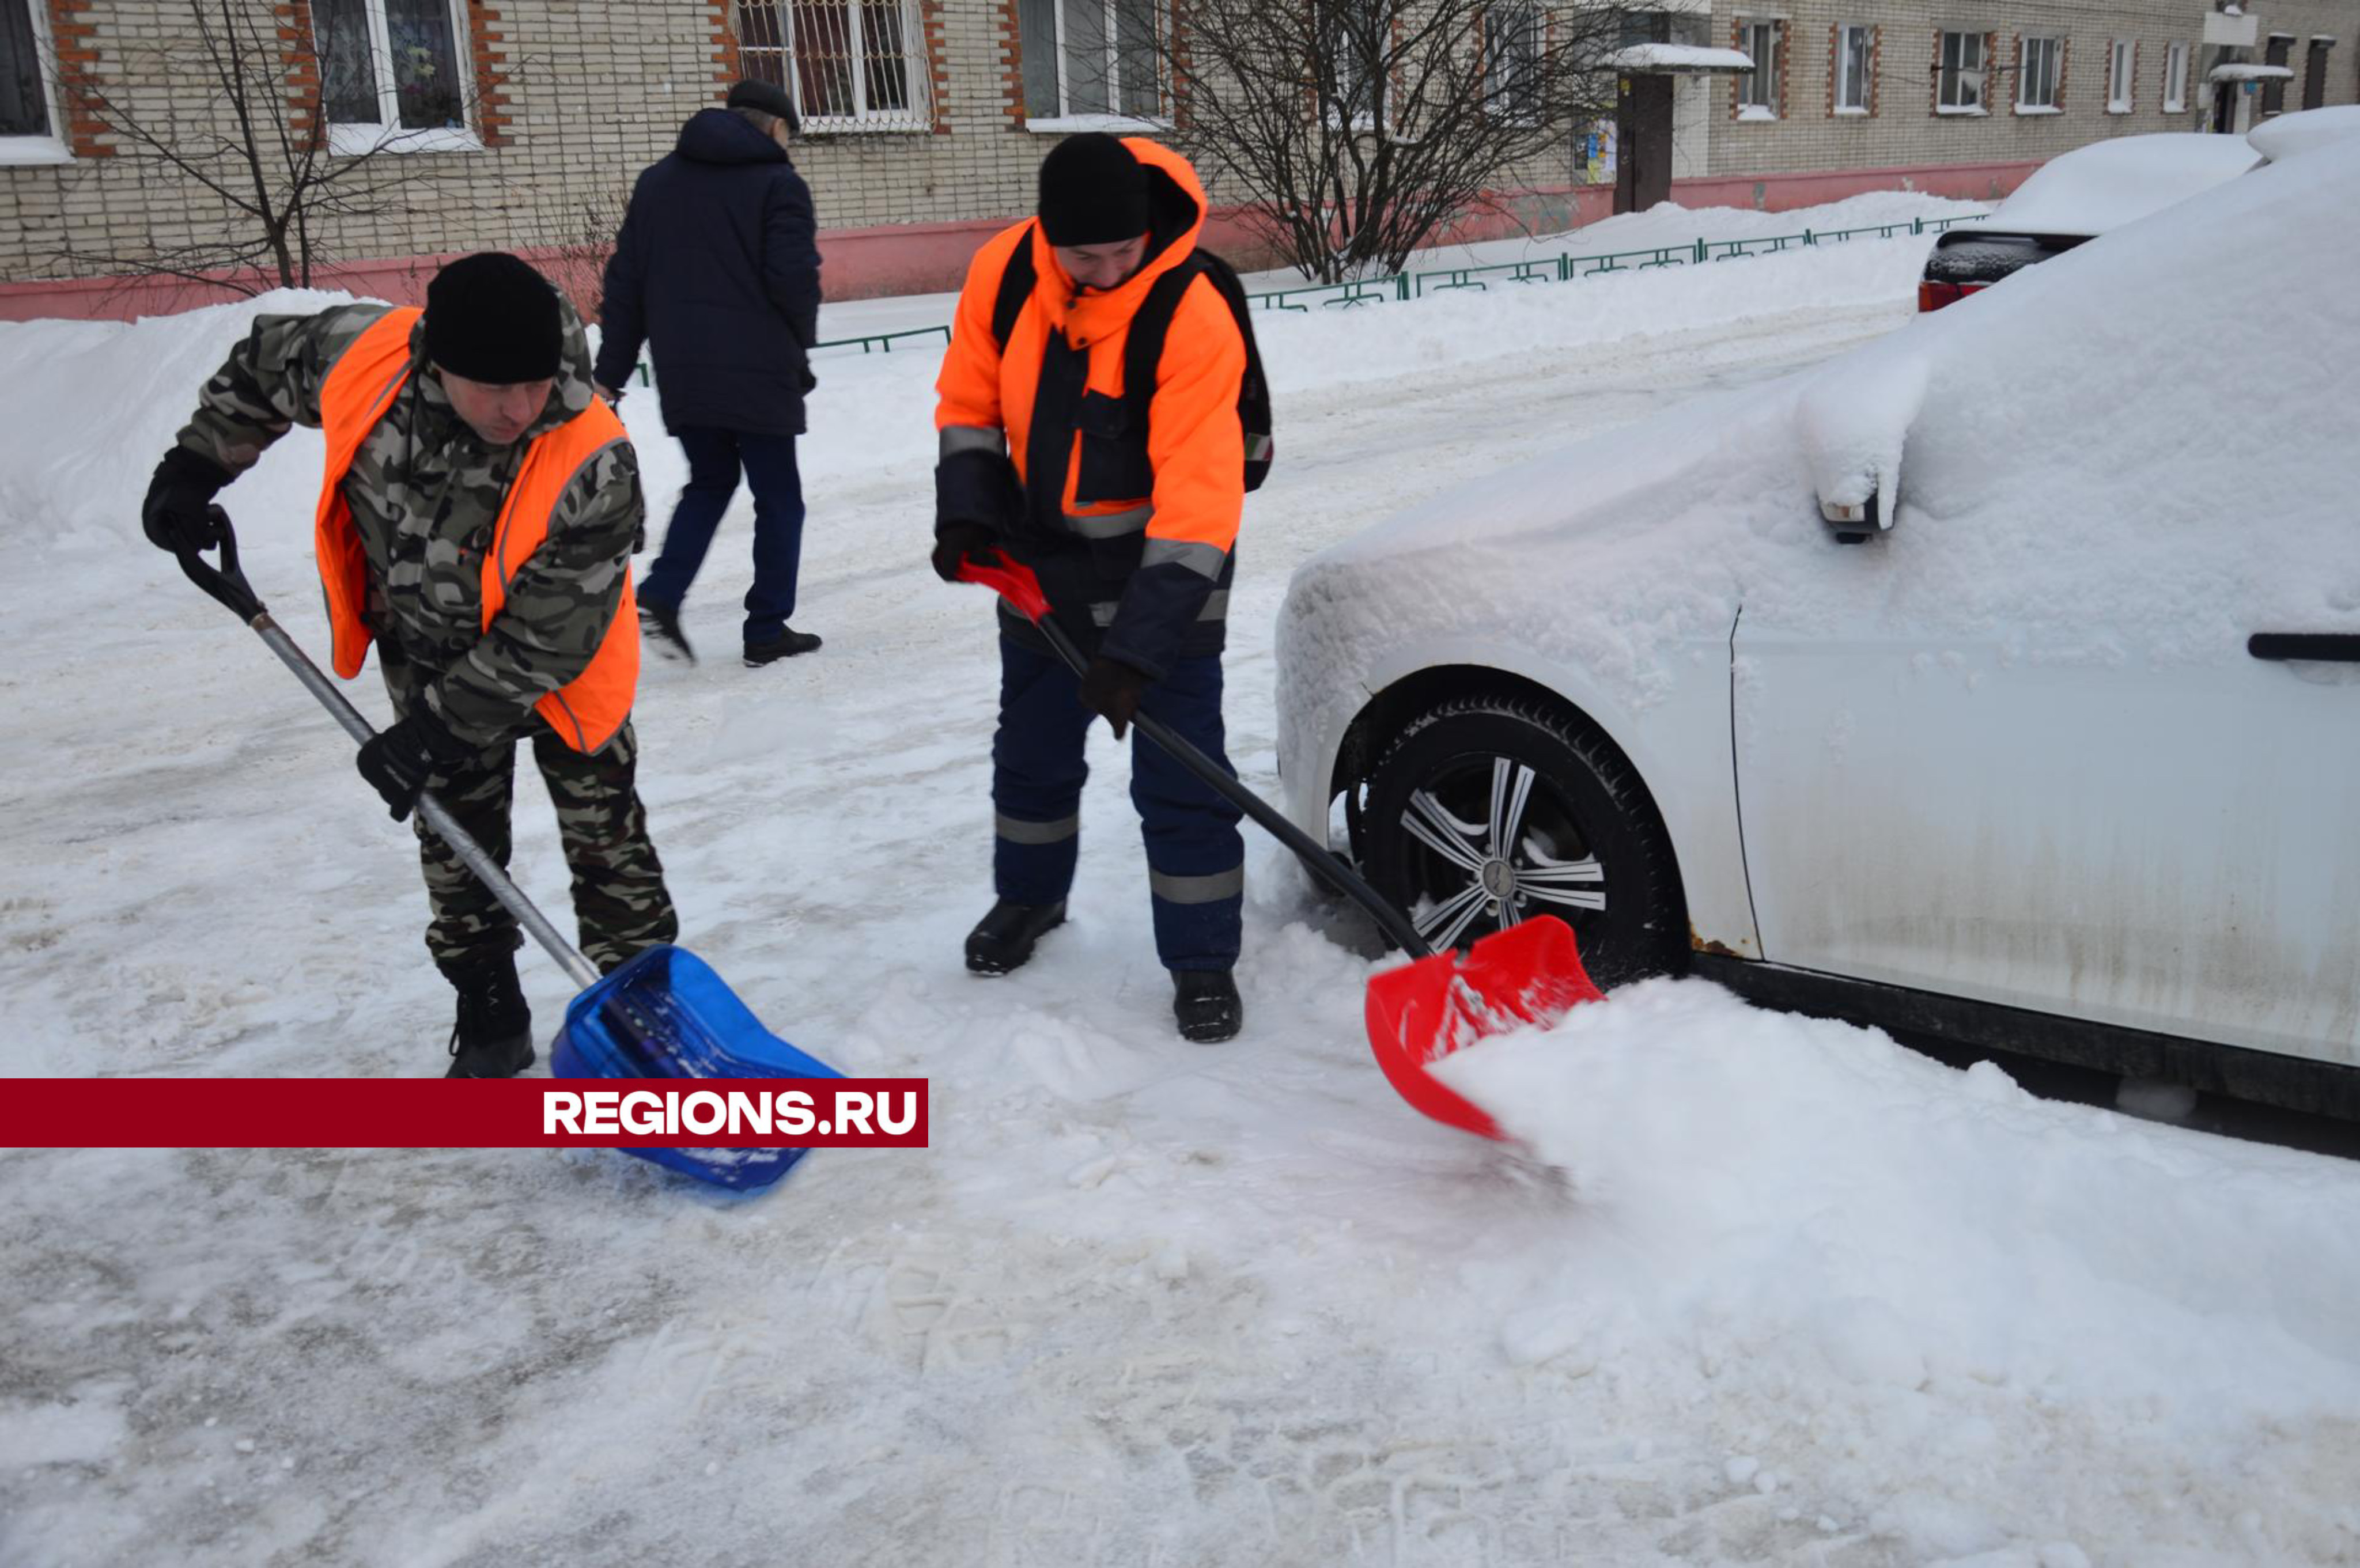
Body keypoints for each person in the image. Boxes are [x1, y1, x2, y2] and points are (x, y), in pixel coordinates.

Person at [141, 252, 679, 1077]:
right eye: (492, 386)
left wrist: (434, 728)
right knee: (455, 835)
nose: (518, 408)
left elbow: (550, 634)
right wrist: (197, 466)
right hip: (424, 644)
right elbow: (263, 365)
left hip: (565, 665)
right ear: (437, 360)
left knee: (606, 838)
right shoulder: (363, 359)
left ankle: (645, 1016)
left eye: (534, 384)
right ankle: (489, 1008)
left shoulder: (594, 454)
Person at [931, 134, 1251, 1043]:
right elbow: (970, 405)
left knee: (1181, 773)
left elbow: (1198, 506)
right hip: (1041, 569)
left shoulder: (1192, 310)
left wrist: (1136, 652)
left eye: (1125, 251)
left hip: (1171, 577)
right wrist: (966, 514)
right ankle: (1029, 899)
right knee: (1031, 751)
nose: (1110, 271)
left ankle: (1202, 959)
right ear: (1047, 238)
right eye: (1086, 256)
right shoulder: (1003, 273)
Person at [595, 78, 825, 669]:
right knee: (779, 497)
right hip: (758, 368)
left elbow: (626, 286)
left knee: (711, 480)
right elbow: (793, 279)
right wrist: (798, 344)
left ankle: (661, 593)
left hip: (684, 370)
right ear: (774, 127)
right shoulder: (779, 185)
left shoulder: (657, 183)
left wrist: (610, 375)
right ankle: (767, 627)